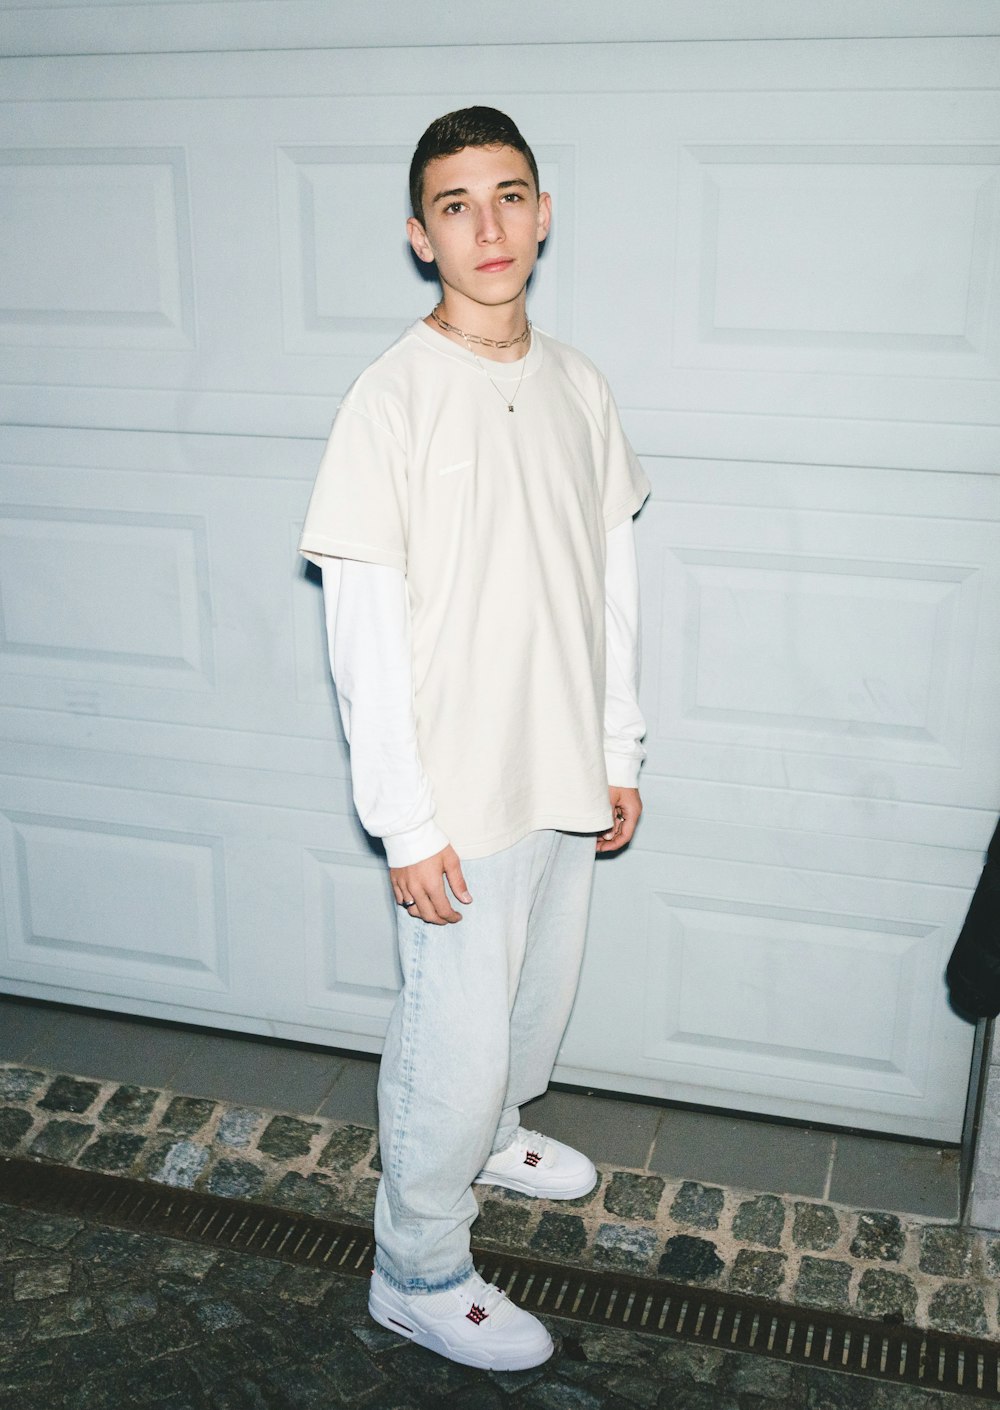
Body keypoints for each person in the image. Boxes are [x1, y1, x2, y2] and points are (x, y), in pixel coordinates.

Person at [299, 106, 649, 1372]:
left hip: (559, 764)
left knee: (530, 999)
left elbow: (609, 577)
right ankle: (418, 1265)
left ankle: (496, 1133)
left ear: (543, 213)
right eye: (457, 204)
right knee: (451, 1035)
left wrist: (621, 745)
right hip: (454, 787)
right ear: (418, 234)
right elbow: (363, 633)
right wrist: (405, 819)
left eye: (510, 196)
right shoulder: (390, 400)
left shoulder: (579, 386)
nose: (488, 226)